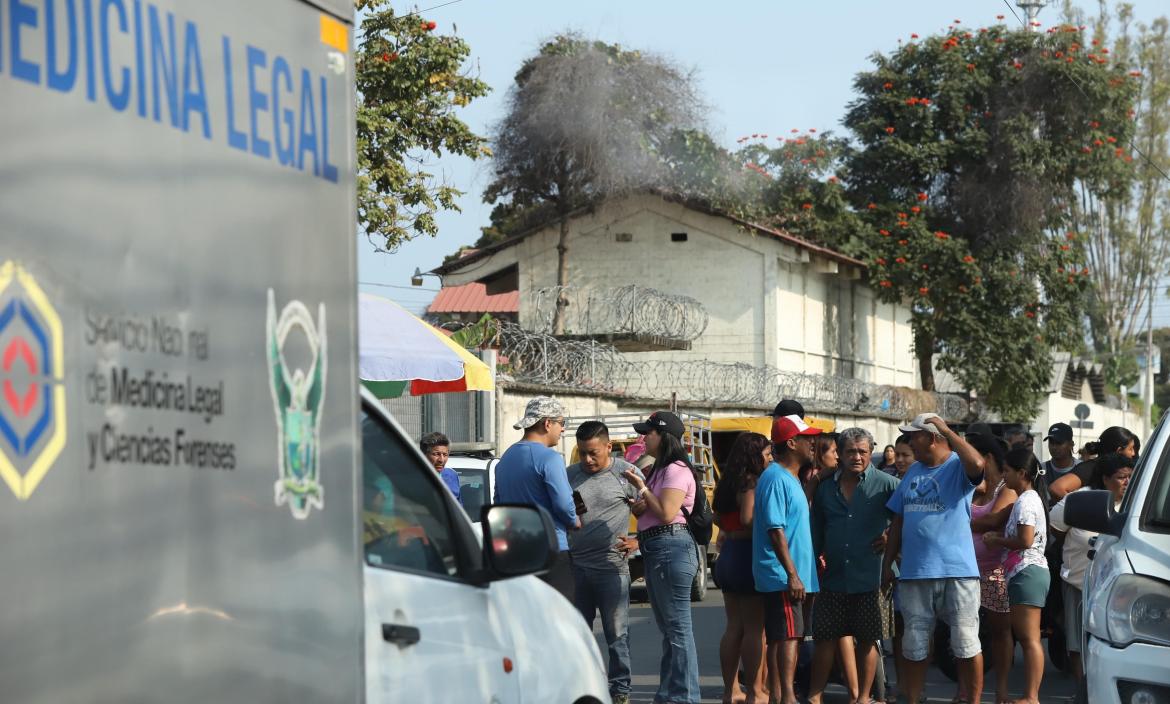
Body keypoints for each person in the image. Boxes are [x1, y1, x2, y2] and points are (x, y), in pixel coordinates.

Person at [881, 413, 986, 704]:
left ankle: (972, 700)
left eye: (915, 435)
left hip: (957, 572)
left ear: (933, 437)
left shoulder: (957, 465)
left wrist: (947, 429)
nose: (910, 441)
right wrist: (887, 565)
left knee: (965, 643)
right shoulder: (913, 471)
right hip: (915, 572)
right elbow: (899, 520)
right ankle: (913, 699)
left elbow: (978, 465)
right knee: (913, 644)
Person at [806, 428, 898, 704]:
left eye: (863, 452)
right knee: (825, 638)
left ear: (871, 453)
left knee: (868, 639)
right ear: (841, 454)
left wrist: (889, 535)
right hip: (832, 575)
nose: (857, 457)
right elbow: (815, 531)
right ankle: (814, 695)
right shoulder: (825, 488)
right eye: (850, 452)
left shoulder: (887, 484)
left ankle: (862, 698)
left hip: (871, 575)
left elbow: (906, 520)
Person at [622, 411, 702, 704]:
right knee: (670, 630)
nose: (644, 438)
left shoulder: (677, 469)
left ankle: (686, 696)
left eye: (649, 433)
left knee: (678, 630)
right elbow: (653, 511)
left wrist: (642, 486)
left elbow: (667, 513)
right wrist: (640, 503)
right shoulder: (658, 469)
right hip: (657, 547)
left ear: (664, 436)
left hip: (673, 548)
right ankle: (670, 694)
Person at [566, 421, 642, 704]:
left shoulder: (627, 474)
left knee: (617, 635)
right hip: (577, 569)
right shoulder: (569, 475)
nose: (587, 459)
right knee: (579, 634)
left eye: (593, 453)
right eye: (583, 453)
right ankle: (583, 687)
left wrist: (638, 542)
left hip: (612, 569)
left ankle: (620, 690)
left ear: (609, 447)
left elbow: (651, 512)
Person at [1049, 452, 1134, 684]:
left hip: (1119, 589)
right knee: (1077, 643)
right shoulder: (1080, 499)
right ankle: (1082, 691)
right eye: (1121, 477)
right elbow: (1056, 527)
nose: (1127, 482)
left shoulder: (1135, 503)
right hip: (1078, 582)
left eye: (1130, 476)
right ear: (1105, 479)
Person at [754, 414, 821, 704]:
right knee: (789, 637)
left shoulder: (790, 478)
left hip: (793, 574)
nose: (813, 444)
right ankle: (788, 697)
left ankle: (780, 695)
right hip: (782, 575)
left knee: (785, 636)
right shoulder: (774, 477)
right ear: (792, 443)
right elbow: (775, 529)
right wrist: (792, 574)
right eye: (808, 439)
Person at [493, 397, 580, 600]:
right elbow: (563, 504)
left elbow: (498, 503)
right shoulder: (550, 458)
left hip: (515, 549)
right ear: (547, 423)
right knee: (559, 616)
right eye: (561, 423)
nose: (563, 430)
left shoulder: (505, 459)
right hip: (550, 549)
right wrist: (573, 520)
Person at [983, 450, 1050, 704]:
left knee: (1029, 638)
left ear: (1021, 473)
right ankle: (1029, 695)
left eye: (1007, 471)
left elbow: (1025, 540)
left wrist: (995, 539)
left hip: (1027, 572)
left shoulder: (1026, 501)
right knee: (1027, 637)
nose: (1004, 476)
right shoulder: (1028, 499)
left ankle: (1031, 696)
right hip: (1024, 574)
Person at [712, 432, 772, 704]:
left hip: (727, 556)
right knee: (754, 628)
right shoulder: (751, 481)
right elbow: (748, 518)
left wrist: (728, 529)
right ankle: (756, 691)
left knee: (733, 626)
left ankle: (730, 690)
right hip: (746, 554)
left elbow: (716, 516)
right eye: (767, 453)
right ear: (754, 454)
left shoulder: (727, 481)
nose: (770, 458)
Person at [966, 433, 1017, 704]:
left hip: (994, 569)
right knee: (963, 631)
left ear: (984, 457)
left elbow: (993, 521)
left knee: (1000, 632)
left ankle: (1002, 691)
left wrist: (955, 523)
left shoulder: (1006, 488)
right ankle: (965, 692)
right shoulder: (971, 485)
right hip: (964, 568)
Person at [1049, 426, 1140, 501]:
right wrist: (1084, 513)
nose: (1133, 454)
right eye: (1130, 449)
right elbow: (1056, 489)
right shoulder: (1090, 467)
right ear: (1119, 451)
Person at [420, 431, 461, 503]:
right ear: (424, 455)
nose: (441, 460)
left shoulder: (452, 475)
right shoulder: (413, 478)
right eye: (436, 454)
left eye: (445, 455)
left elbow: (459, 507)